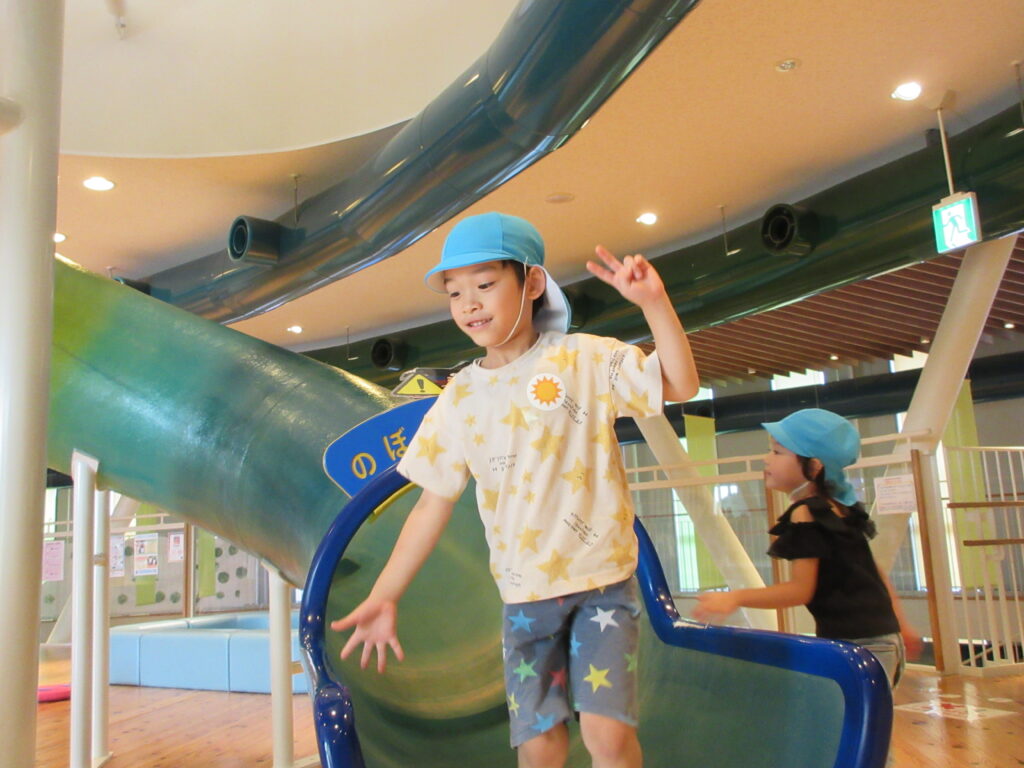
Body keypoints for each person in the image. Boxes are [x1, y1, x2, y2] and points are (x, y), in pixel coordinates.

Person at [331, 211, 699, 768]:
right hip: (525, 597)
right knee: (539, 746)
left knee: (607, 736)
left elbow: (680, 383)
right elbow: (431, 503)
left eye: (484, 284)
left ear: (531, 282)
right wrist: (385, 594)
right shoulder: (459, 398)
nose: (469, 304)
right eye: (455, 292)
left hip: (601, 583)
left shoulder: (581, 358)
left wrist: (654, 303)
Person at [692, 408, 922, 754]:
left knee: (857, 745)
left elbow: (800, 590)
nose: (766, 459)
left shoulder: (807, 512)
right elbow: (875, 575)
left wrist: (735, 597)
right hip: (880, 640)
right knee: (863, 742)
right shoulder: (839, 509)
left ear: (813, 467)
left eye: (777, 451)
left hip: (862, 645)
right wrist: (901, 626)